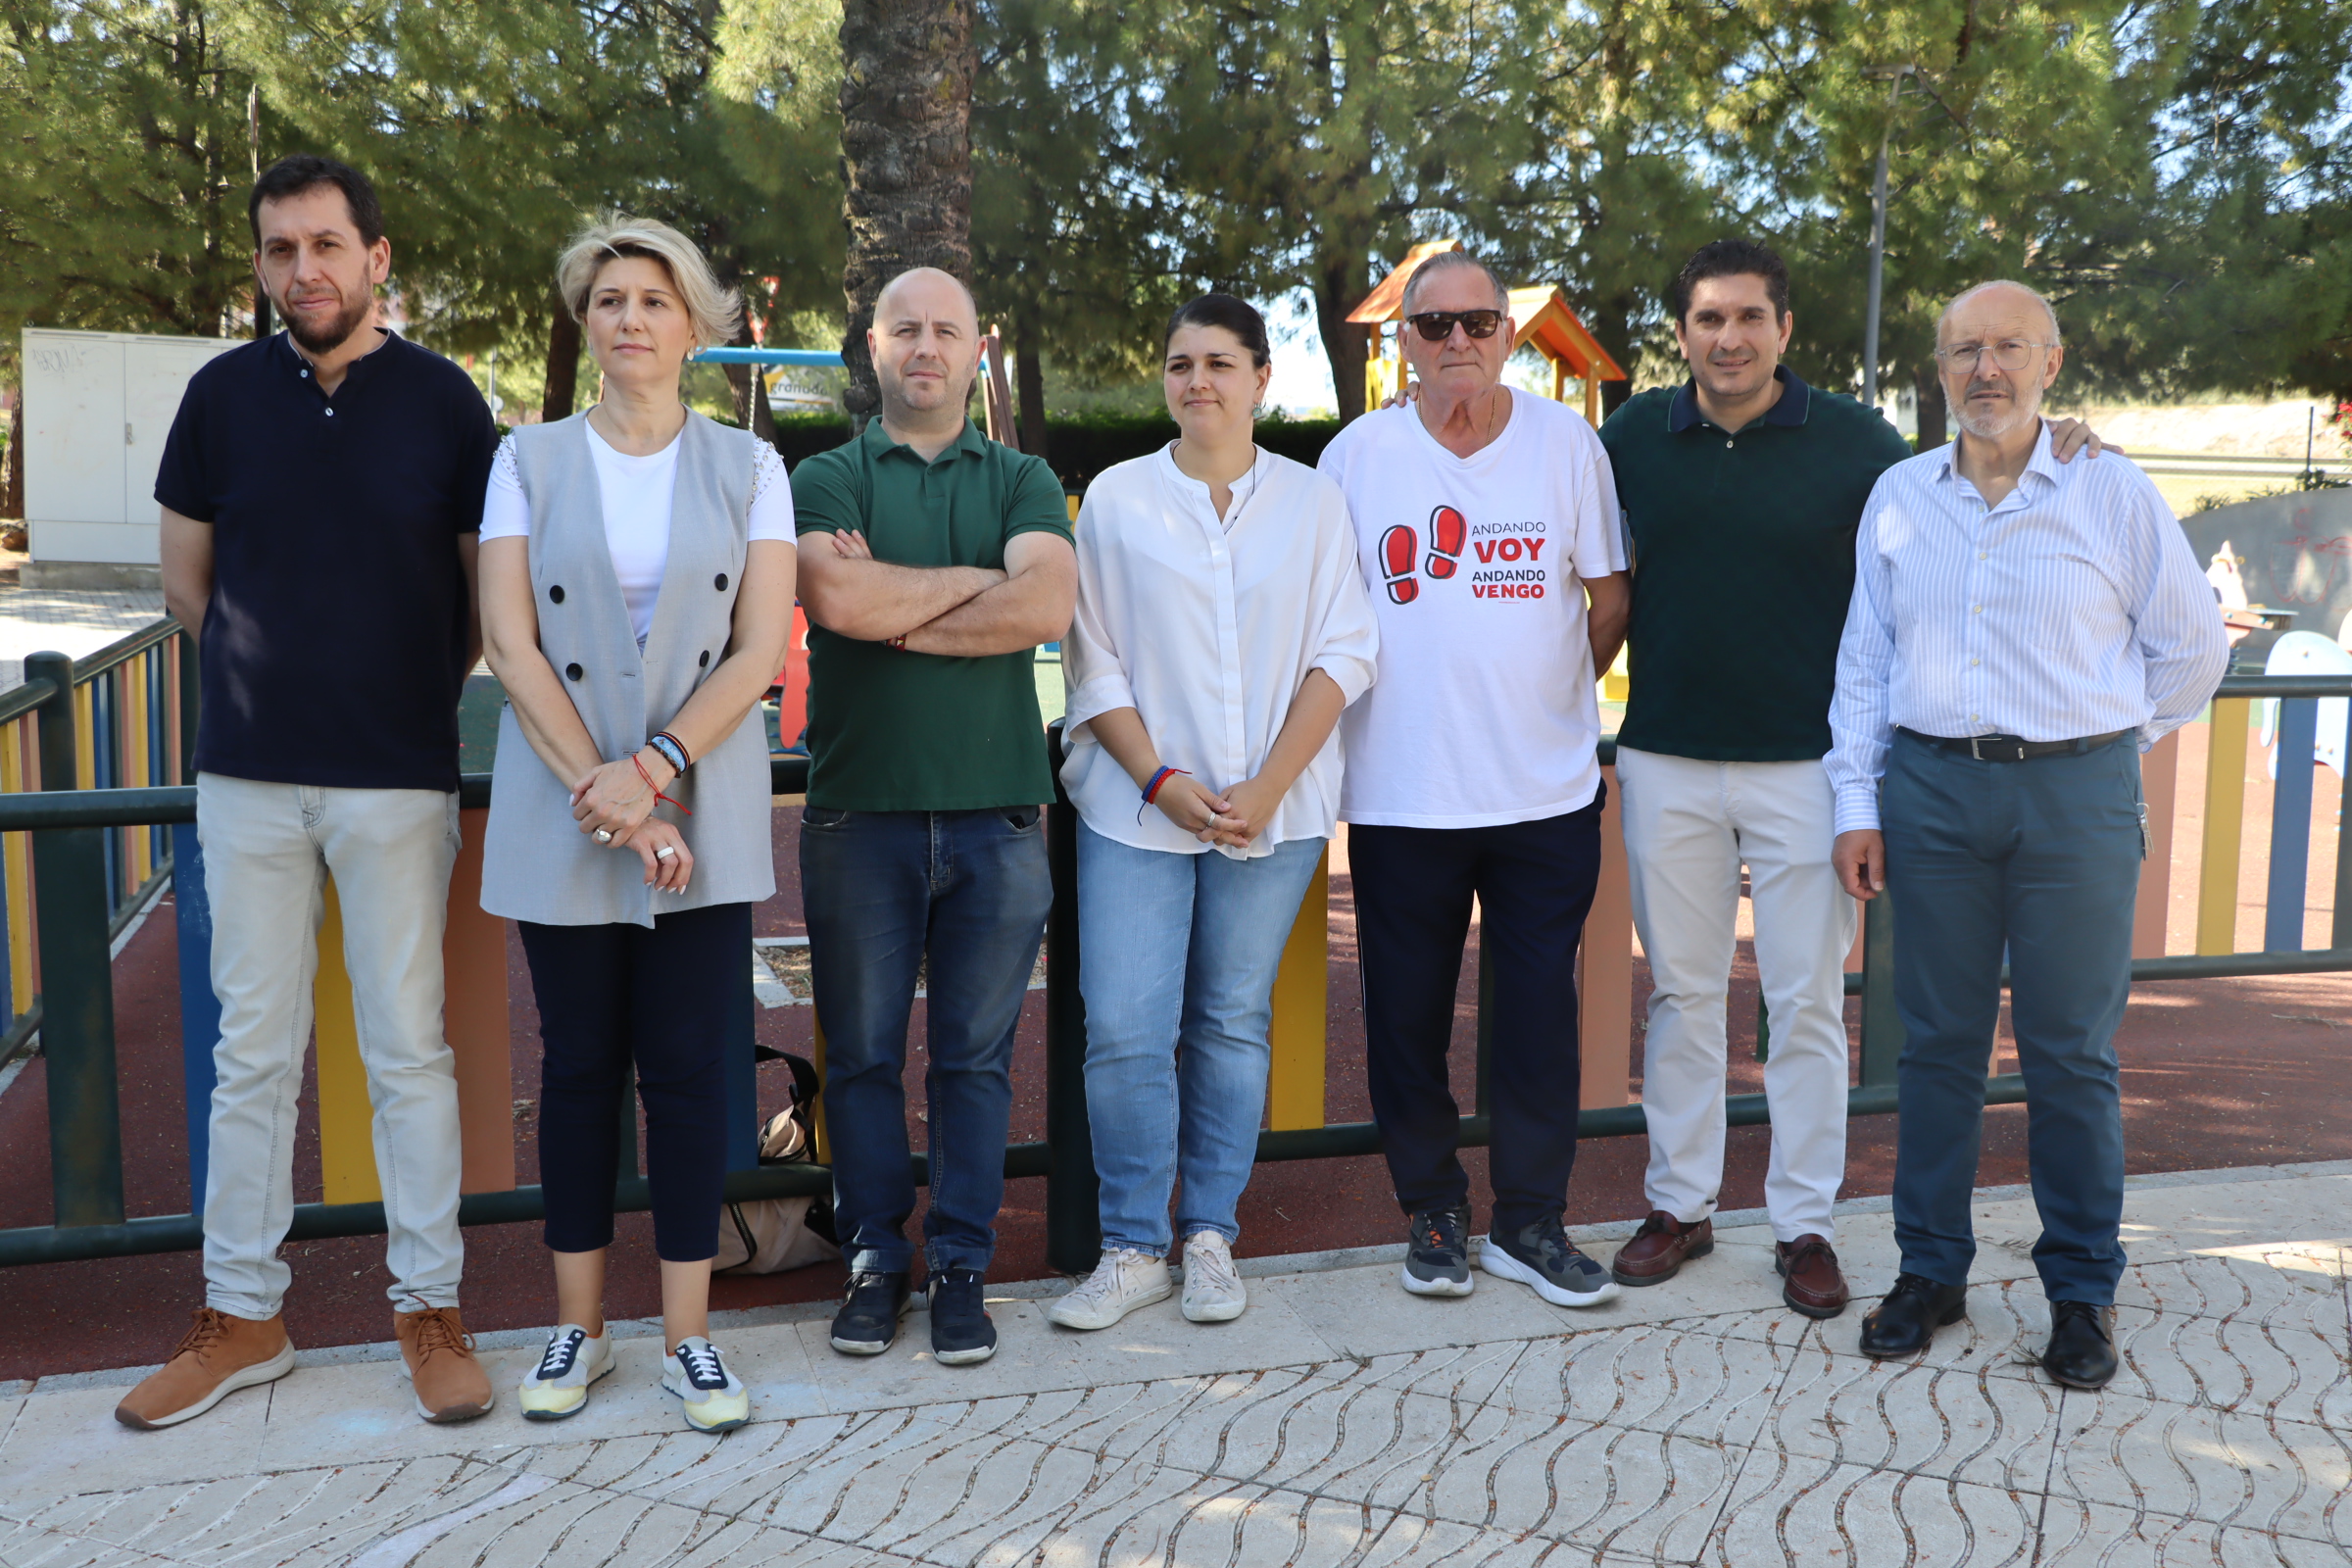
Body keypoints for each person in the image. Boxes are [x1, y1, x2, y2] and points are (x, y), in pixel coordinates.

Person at [1597, 241, 2110, 1317]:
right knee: (1683, 994)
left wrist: (2069, 440)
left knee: (1804, 1005)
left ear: (1784, 330)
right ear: (1682, 333)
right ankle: (1679, 1204)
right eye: (1706, 319)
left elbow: (1976, 462)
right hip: (1665, 758)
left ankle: (1805, 1223)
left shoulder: (1859, 444)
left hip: (1809, 768)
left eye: (1748, 317)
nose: (1727, 338)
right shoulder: (1634, 433)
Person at [122, 155, 497, 1431]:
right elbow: (187, 585)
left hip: (396, 779)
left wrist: (391, 695)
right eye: (281, 251)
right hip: (247, 780)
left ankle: (429, 1310)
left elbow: (473, 602)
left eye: (327, 246)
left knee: (410, 1054)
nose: (305, 271)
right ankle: (242, 1316)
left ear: (377, 258)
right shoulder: (219, 397)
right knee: (251, 1059)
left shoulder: (446, 402)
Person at [1828, 280, 2227, 1388]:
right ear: (1940, 368)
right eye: (1965, 350)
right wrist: (1858, 804)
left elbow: (2194, 648)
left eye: (2010, 347)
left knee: (2070, 1056)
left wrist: (2102, 738)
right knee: (1937, 1048)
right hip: (1934, 797)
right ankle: (1931, 1271)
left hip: (2076, 803)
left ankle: (2083, 1292)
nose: (1986, 369)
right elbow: (1866, 659)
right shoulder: (1900, 496)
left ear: (2053, 363)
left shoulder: (2114, 491)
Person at [475, 217, 794, 1434]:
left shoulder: (750, 466)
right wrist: (608, 788)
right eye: (608, 299)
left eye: (654, 299)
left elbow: (759, 646)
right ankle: (580, 1327)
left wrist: (654, 771)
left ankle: (690, 1338)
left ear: (694, 321)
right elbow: (512, 641)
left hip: (694, 790)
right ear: (586, 320)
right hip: (569, 796)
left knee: (689, 1073)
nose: (630, 319)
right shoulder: (527, 459)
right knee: (577, 1067)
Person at [1047, 295, 1379, 1331]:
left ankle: (1210, 1235)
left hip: (1269, 817)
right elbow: (1089, 658)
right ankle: (1133, 1243)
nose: (1199, 381)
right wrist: (1160, 781)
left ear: (1261, 380)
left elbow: (1345, 650)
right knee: (1126, 1030)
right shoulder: (1114, 498)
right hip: (1137, 812)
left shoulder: (1313, 503)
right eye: (1181, 363)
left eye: (1221, 363)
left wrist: (1271, 786)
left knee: (1230, 1024)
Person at [1319, 249, 1630, 1308]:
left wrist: (1547, 694)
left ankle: (1532, 1220)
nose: (1458, 341)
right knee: (1404, 1012)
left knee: (1540, 1013)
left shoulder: (1566, 444)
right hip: (1404, 794)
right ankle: (1435, 1211)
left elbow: (1609, 592)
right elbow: (1325, 617)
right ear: (1401, 341)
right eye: (1435, 324)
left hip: (1544, 795)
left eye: (1479, 323)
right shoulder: (1355, 457)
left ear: (1510, 334)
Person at [791, 267, 1077, 1365]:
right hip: (857, 818)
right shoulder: (824, 475)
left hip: (998, 820)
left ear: (977, 350)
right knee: (861, 1055)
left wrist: (897, 610)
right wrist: (973, 586)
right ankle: (876, 1255)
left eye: (945, 330)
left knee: (974, 1059)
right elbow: (837, 600)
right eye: (905, 328)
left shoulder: (1023, 475)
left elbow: (1045, 604)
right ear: (874, 347)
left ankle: (960, 1262)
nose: (925, 346)